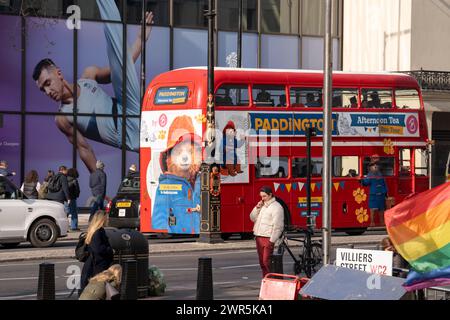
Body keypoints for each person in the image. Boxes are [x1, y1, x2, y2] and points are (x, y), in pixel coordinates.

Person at [32, 0, 154, 173]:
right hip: (129, 137)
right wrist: (99, 183)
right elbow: (84, 149)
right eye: (42, 89)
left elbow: (119, 69)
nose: (47, 91)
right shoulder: (63, 118)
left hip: (130, 109)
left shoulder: (89, 76)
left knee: (118, 61)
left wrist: (140, 40)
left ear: (58, 73)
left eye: (47, 83)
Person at [249, 186, 284, 277]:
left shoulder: (276, 207)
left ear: (270, 195)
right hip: (259, 236)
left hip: (268, 237)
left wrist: (272, 240)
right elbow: (252, 218)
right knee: (262, 262)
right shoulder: (263, 206)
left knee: (266, 261)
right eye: (261, 196)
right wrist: (257, 208)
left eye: (264, 196)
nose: (262, 198)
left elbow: (278, 226)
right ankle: (265, 279)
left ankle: (270, 279)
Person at [80, 210, 114, 292]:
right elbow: (98, 249)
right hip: (98, 265)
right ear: (102, 220)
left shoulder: (94, 230)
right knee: (98, 289)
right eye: (107, 218)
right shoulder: (98, 232)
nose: (108, 220)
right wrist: (110, 250)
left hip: (95, 263)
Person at [361, 159, 388, 227]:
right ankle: (372, 222)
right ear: (370, 167)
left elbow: (384, 184)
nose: (375, 166)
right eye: (373, 165)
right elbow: (366, 182)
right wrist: (361, 181)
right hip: (373, 194)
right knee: (372, 209)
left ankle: (382, 222)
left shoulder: (381, 175)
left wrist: (385, 192)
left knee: (381, 209)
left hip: (381, 194)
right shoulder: (369, 175)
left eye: (376, 165)